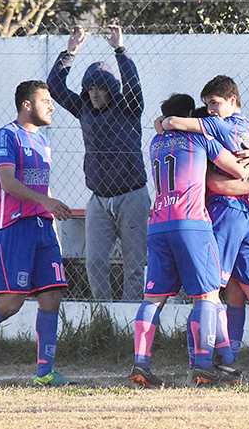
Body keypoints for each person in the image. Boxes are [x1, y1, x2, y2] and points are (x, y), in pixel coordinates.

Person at [130, 92, 249, 388]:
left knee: (153, 297)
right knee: (206, 295)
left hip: (158, 223)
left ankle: (141, 363)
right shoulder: (200, 139)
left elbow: (162, 125)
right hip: (191, 223)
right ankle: (204, 366)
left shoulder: (156, 141)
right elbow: (239, 169)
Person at [0, 80, 77, 386]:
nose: (52, 106)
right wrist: (45, 201)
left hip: (43, 228)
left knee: (52, 297)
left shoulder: (43, 141)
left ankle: (44, 373)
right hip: (14, 227)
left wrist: (48, 215)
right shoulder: (6, 135)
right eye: (46, 100)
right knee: (11, 302)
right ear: (27, 105)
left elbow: (37, 185)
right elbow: (7, 183)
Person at [158, 76, 249, 384]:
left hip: (226, 211)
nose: (211, 110)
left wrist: (165, 122)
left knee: (209, 291)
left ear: (232, 100)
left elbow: (215, 182)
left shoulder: (217, 127)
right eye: (208, 104)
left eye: (215, 102)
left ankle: (211, 361)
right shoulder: (246, 126)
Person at [47, 25, 149, 301]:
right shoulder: (82, 109)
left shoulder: (129, 108)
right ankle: (103, 313)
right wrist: (71, 51)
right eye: (89, 88)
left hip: (132, 195)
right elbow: (55, 87)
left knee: (135, 265)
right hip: (99, 199)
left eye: (100, 88)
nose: (94, 94)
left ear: (111, 89)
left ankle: (132, 318)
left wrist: (120, 50)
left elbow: (134, 85)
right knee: (94, 262)